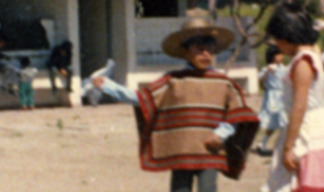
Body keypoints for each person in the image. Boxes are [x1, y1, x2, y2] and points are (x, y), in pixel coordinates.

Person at [92, 18, 260, 192]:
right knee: (180, 188)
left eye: (210, 49)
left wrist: (222, 133)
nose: (206, 54)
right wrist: (108, 86)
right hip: (181, 150)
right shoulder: (173, 81)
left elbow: (237, 114)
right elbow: (143, 98)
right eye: (199, 49)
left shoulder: (224, 83)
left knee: (208, 188)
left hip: (210, 152)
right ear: (185, 51)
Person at [261, 3, 324, 192]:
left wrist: (289, 147)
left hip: (308, 133)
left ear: (286, 35)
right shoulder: (312, 56)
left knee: (306, 182)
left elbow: (300, 106)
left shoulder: (303, 62)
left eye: (278, 39)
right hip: (317, 129)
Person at [254, 45, 288, 156]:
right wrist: (267, 72)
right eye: (278, 54)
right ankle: (264, 145)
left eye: (281, 54)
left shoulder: (284, 68)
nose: (280, 56)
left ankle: (264, 144)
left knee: (281, 122)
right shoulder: (267, 69)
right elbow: (260, 81)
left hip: (282, 96)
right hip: (272, 97)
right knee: (274, 122)